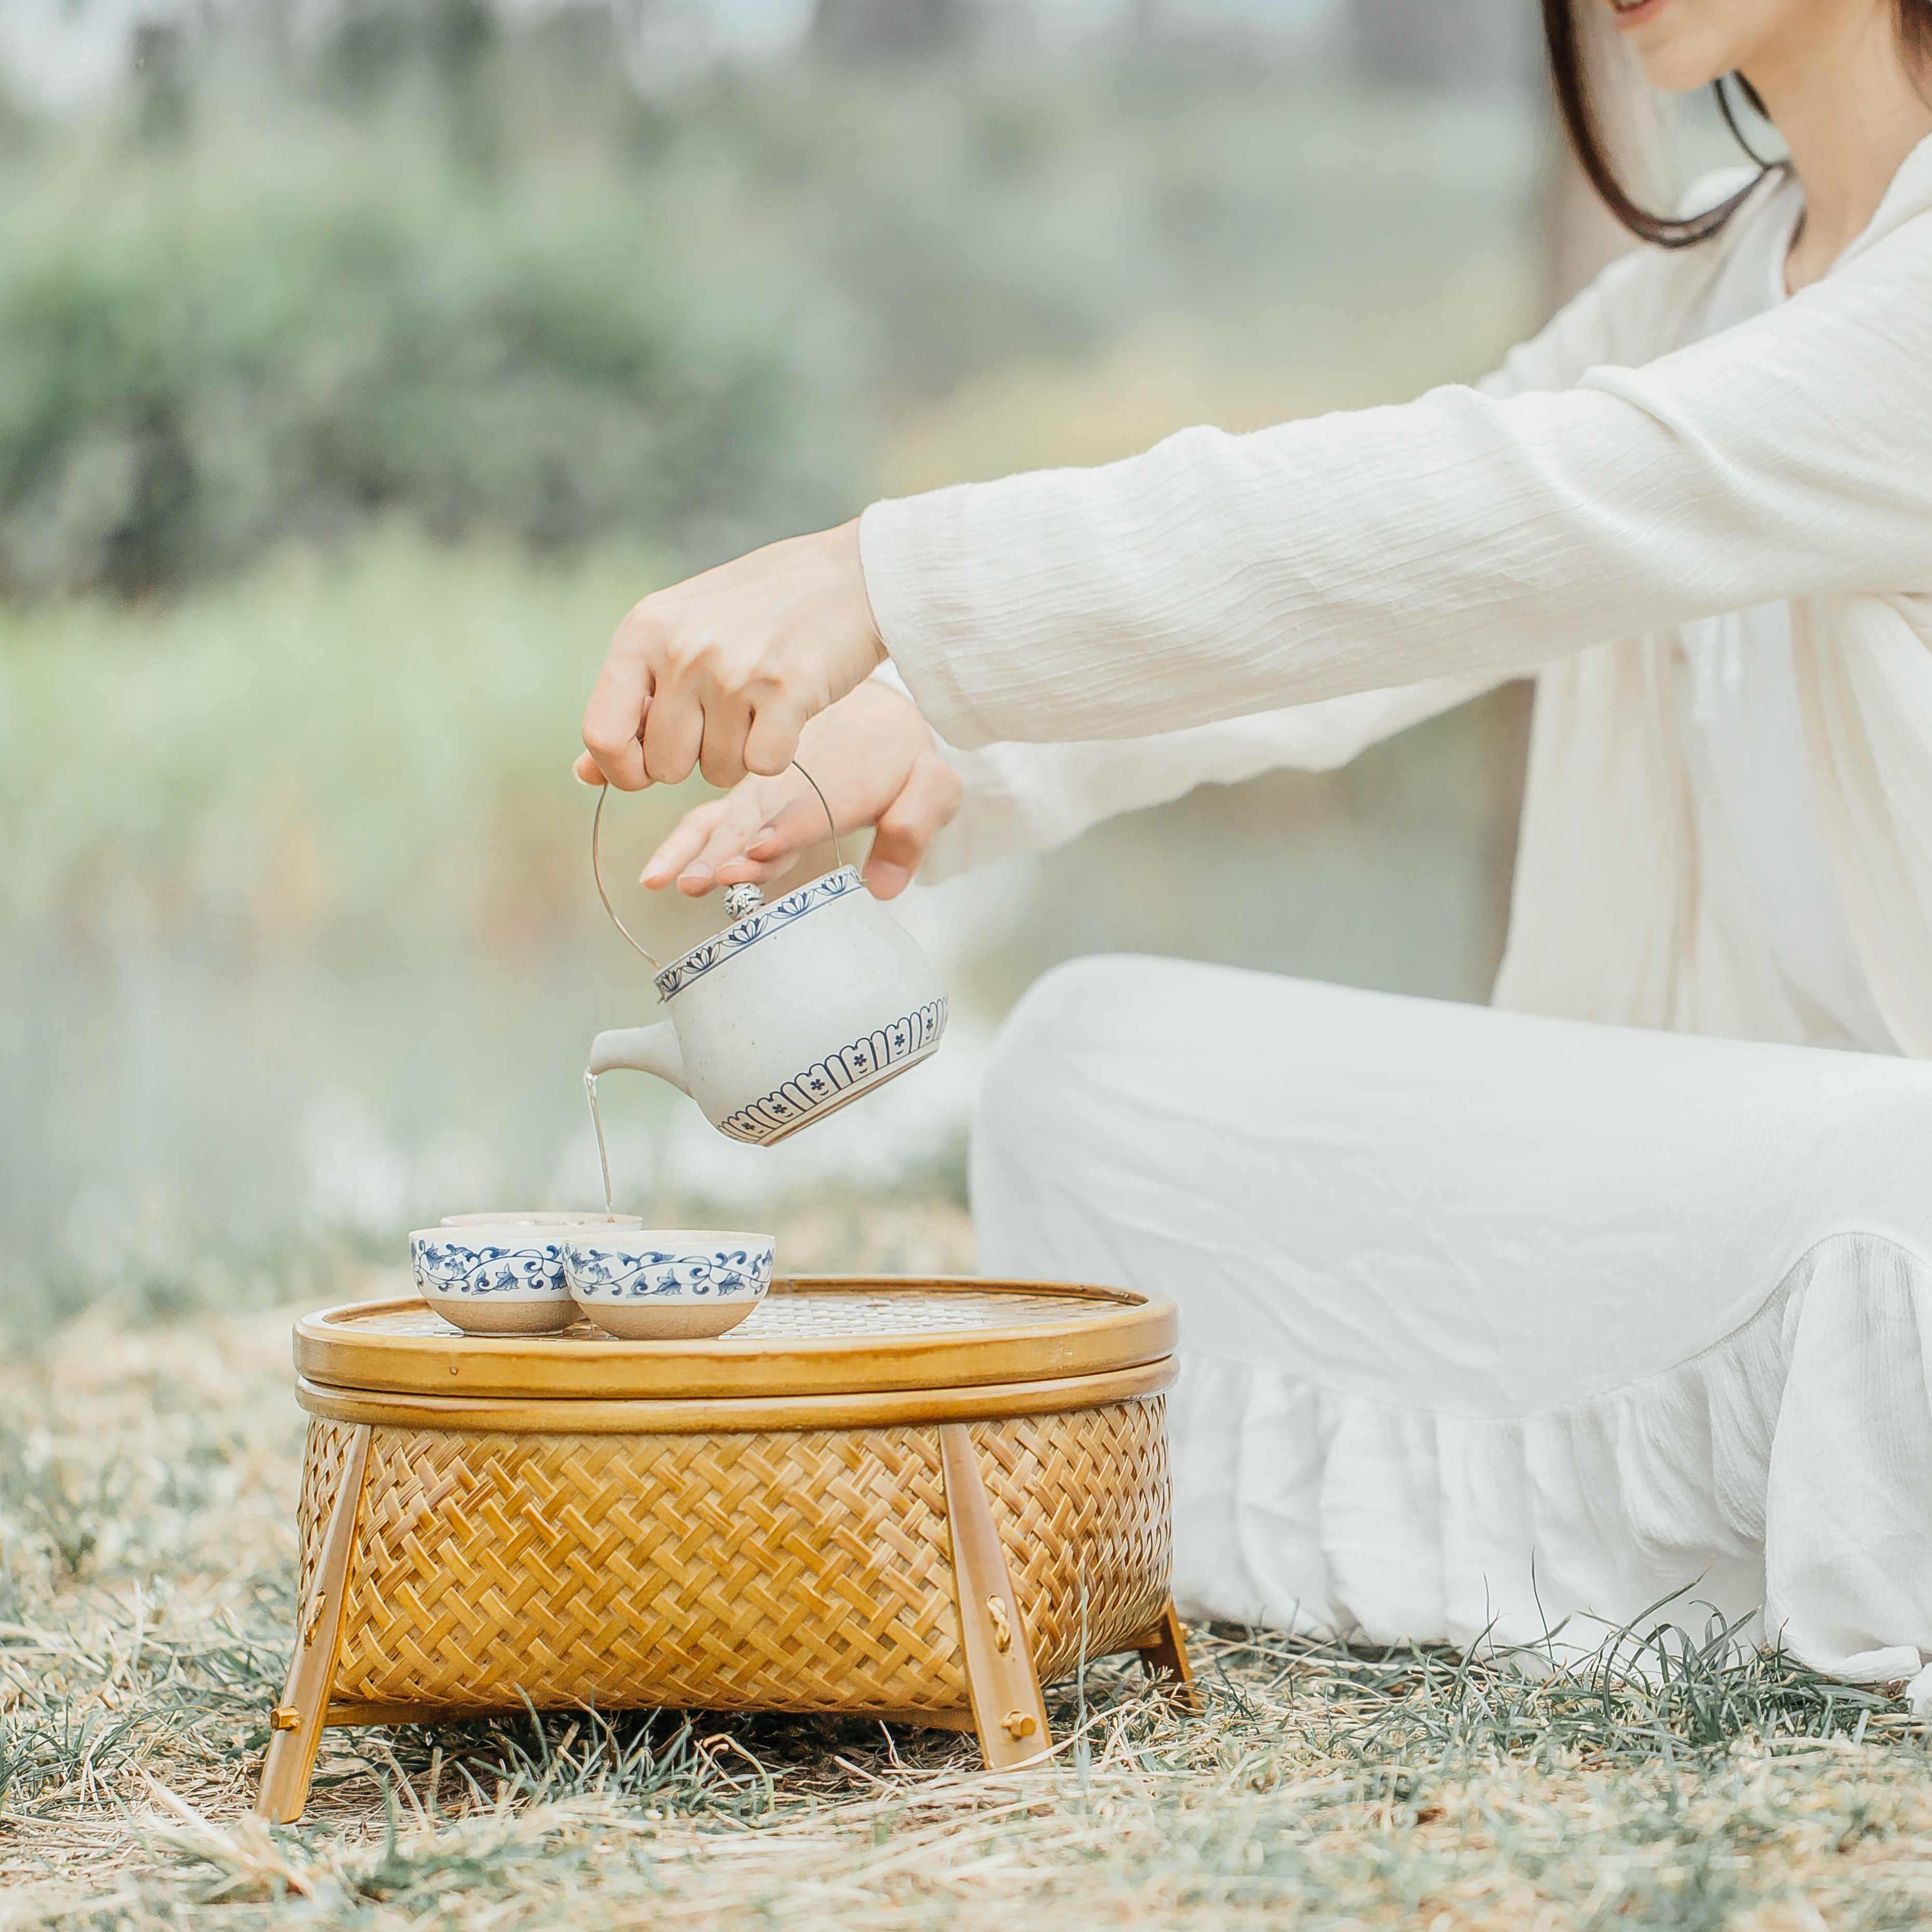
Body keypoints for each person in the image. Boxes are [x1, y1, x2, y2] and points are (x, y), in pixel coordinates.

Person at [576, 0, 1932, 1694]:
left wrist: (891, 577)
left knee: (1893, 1177)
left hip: (1899, 1187)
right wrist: (929, 731)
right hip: (1731, 1182)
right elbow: (1380, 600)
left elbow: (1496, 504)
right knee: (1083, 1063)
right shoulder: (1699, 295)